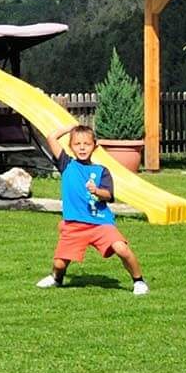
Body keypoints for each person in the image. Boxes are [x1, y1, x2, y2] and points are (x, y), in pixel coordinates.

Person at [39, 124, 148, 295]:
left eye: (87, 144)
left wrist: (97, 191)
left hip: (100, 223)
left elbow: (108, 194)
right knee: (59, 264)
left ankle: (139, 281)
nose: (82, 148)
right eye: (77, 144)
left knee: (122, 248)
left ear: (95, 146)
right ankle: (56, 278)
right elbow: (51, 137)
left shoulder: (101, 171)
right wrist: (70, 127)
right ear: (71, 147)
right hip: (74, 225)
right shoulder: (66, 164)